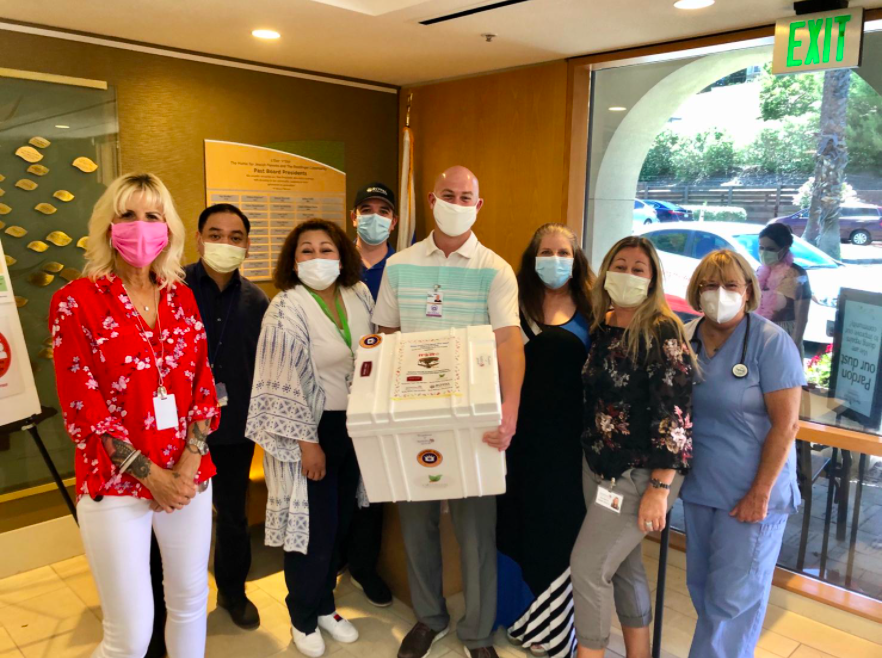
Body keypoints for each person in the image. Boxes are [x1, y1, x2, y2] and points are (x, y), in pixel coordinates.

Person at [49, 173, 219, 658]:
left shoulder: (181, 297)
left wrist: (188, 462)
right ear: (107, 225)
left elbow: (202, 386)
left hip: (189, 476)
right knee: (131, 633)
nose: (140, 226)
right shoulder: (75, 302)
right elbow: (85, 408)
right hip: (117, 483)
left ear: (168, 228)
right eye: (127, 215)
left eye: (152, 216)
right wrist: (153, 478)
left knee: (189, 603)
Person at [373, 166, 525, 658]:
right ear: (432, 199)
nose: (456, 202)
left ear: (478, 206)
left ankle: (477, 633)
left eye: (466, 196)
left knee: (476, 530)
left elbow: (509, 343)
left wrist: (510, 409)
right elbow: (386, 337)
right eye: (448, 194)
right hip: (413, 415)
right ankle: (429, 616)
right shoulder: (399, 265)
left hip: (474, 421)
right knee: (416, 524)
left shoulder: (495, 269)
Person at [246, 219, 374, 658]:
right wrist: (308, 444)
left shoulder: (358, 295)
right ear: (292, 259)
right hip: (309, 431)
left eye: (326, 248)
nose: (317, 258)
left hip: (352, 428)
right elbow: (283, 384)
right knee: (311, 532)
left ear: (342, 255)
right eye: (306, 250)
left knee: (338, 525)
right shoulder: (285, 308)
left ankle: (324, 606)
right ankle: (302, 614)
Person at [571, 236, 693, 658]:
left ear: (652, 278)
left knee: (587, 570)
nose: (627, 274)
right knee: (622, 568)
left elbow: (676, 416)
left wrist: (659, 489)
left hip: (639, 478)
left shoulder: (663, 330)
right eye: (619, 265)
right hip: (597, 468)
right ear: (605, 272)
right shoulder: (602, 324)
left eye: (638, 268)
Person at [681, 250, 804, 658]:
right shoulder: (686, 337)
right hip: (701, 488)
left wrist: (760, 493)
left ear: (749, 291)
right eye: (710, 285)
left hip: (751, 495)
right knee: (701, 591)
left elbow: (786, 425)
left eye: (731, 285)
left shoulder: (771, 342)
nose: (721, 293)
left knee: (730, 605)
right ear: (696, 291)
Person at [496, 223, 593, 658]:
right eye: (546, 251)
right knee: (514, 522)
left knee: (560, 530)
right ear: (532, 257)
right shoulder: (510, 303)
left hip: (569, 447)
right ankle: (516, 619)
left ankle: (556, 631)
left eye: (563, 252)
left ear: (576, 259)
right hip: (515, 438)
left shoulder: (594, 310)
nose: (555, 259)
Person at [185, 203, 269, 626]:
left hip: (234, 429)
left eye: (235, 237)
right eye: (215, 234)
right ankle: (175, 602)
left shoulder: (257, 300)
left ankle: (233, 594)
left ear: (247, 246)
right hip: (178, 432)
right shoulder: (172, 288)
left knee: (234, 515)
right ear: (198, 239)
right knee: (178, 517)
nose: (225, 243)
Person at [337, 182, 397, 608]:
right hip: (337, 390)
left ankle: (364, 565)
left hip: (387, 389)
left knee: (374, 483)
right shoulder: (334, 264)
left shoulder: (404, 266)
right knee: (338, 480)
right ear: (354, 216)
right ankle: (333, 560)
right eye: (366, 209)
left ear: (394, 220)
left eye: (383, 210)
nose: (375, 217)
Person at [756, 223, 811, 358]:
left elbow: (802, 317)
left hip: (785, 336)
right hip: (759, 334)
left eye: (770, 249)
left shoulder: (797, 274)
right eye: (761, 248)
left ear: (784, 249)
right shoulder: (759, 271)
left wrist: (793, 345)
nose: (764, 253)